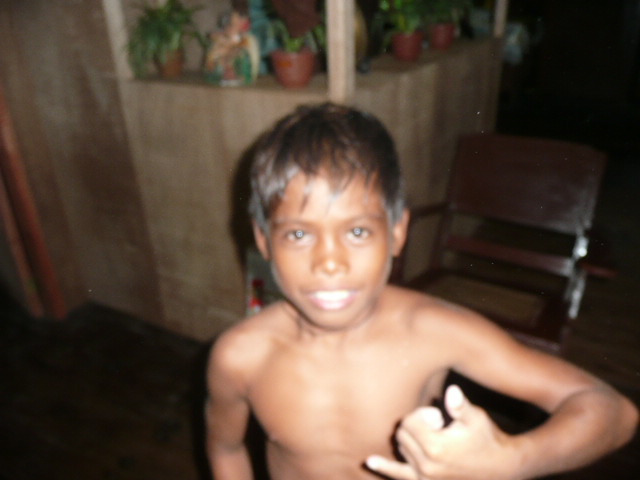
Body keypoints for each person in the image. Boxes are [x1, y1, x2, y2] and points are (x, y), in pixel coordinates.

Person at [205, 103, 637, 480]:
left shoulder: (435, 332)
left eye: (357, 231)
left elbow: (613, 411)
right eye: (299, 235)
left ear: (397, 233)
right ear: (264, 241)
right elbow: (226, 448)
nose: (330, 262)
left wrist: (511, 460)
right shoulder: (239, 357)